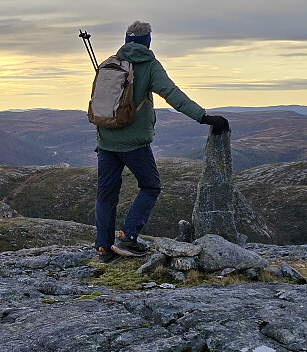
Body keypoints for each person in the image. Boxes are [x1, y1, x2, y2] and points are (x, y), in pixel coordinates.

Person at [95, 21, 229, 262]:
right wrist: (203, 117)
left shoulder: (110, 63)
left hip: (106, 140)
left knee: (106, 196)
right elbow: (172, 94)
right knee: (150, 186)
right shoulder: (149, 66)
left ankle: (104, 249)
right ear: (147, 41)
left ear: (126, 40)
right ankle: (128, 237)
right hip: (134, 143)